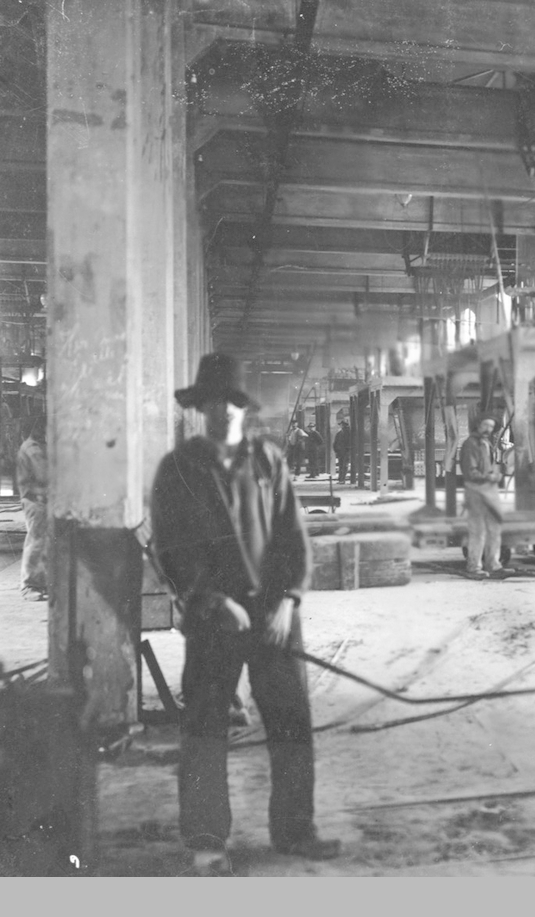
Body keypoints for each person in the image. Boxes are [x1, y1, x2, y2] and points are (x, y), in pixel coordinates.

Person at [150, 353, 339, 874]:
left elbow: (291, 535)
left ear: (243, 408)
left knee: (291, 722)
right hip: (216, 618)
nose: (224, 411)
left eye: (233, 402)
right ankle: (208, 843)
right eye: (214, 402)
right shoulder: (179, 468)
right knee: (207, 727)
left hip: (273, 615)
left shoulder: (268, 461)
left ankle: (295, 831)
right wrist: (210, 598)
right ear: (200, 408)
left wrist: (290, 599)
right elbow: (171, 546)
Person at [458, 415, 505, 579]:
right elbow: (470, 472)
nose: (488, 429)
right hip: (475, 490)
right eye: (485, 425)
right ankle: (474, 567)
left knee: (495, 529)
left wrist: (494, 475)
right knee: (478, 530)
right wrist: (490, 477)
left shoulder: (487, 443)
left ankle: (493, 564)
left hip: (490, 490)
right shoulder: (471, 444)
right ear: (478, 425)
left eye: (491, 426)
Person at [16, 414, 48, 602]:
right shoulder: (32, 448)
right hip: (35, 501)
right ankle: (28, 585)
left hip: (39, 501)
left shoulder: (36, 446)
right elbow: (44, 474)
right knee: (35, 543)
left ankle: (38, 583)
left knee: (41, 543)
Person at [333, 419, 351, 484]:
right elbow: (335, 443)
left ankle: (342, 479)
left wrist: (336, 450)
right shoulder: (340, 433)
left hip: (345, 451)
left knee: (343, 465)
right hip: (341, 451)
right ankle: (341, 478)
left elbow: (336, 443)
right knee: (342, 465)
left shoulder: (346, 432)